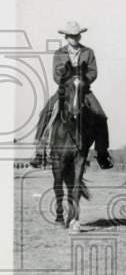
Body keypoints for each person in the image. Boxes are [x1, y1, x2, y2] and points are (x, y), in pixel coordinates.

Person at [30, 20, 114, 169]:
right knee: (46, 112)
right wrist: (66, 80)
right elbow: (56, 74)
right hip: (65, 90)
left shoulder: (88, 52)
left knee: (101, 116)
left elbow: (93, 71)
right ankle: (39, 151)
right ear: (66, 37)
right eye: (71, 36)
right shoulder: (59, 53)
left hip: (83, 90)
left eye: (76, 36)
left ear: (80, 36)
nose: (74, 38)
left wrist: (84, 80)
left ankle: (102, 153)